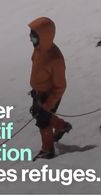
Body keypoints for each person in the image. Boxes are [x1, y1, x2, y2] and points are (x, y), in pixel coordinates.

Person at [28, 17, 72, 160]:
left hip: (49, 96)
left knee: (43, 121)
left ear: (44, 36)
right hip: (39, 93)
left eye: (33, 35)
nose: (30, 38)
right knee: (37, 113)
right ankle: (61, 126)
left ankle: (47, 150)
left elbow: (60, 86)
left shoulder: (55, 59)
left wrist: (48, 104)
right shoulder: (39, 49)